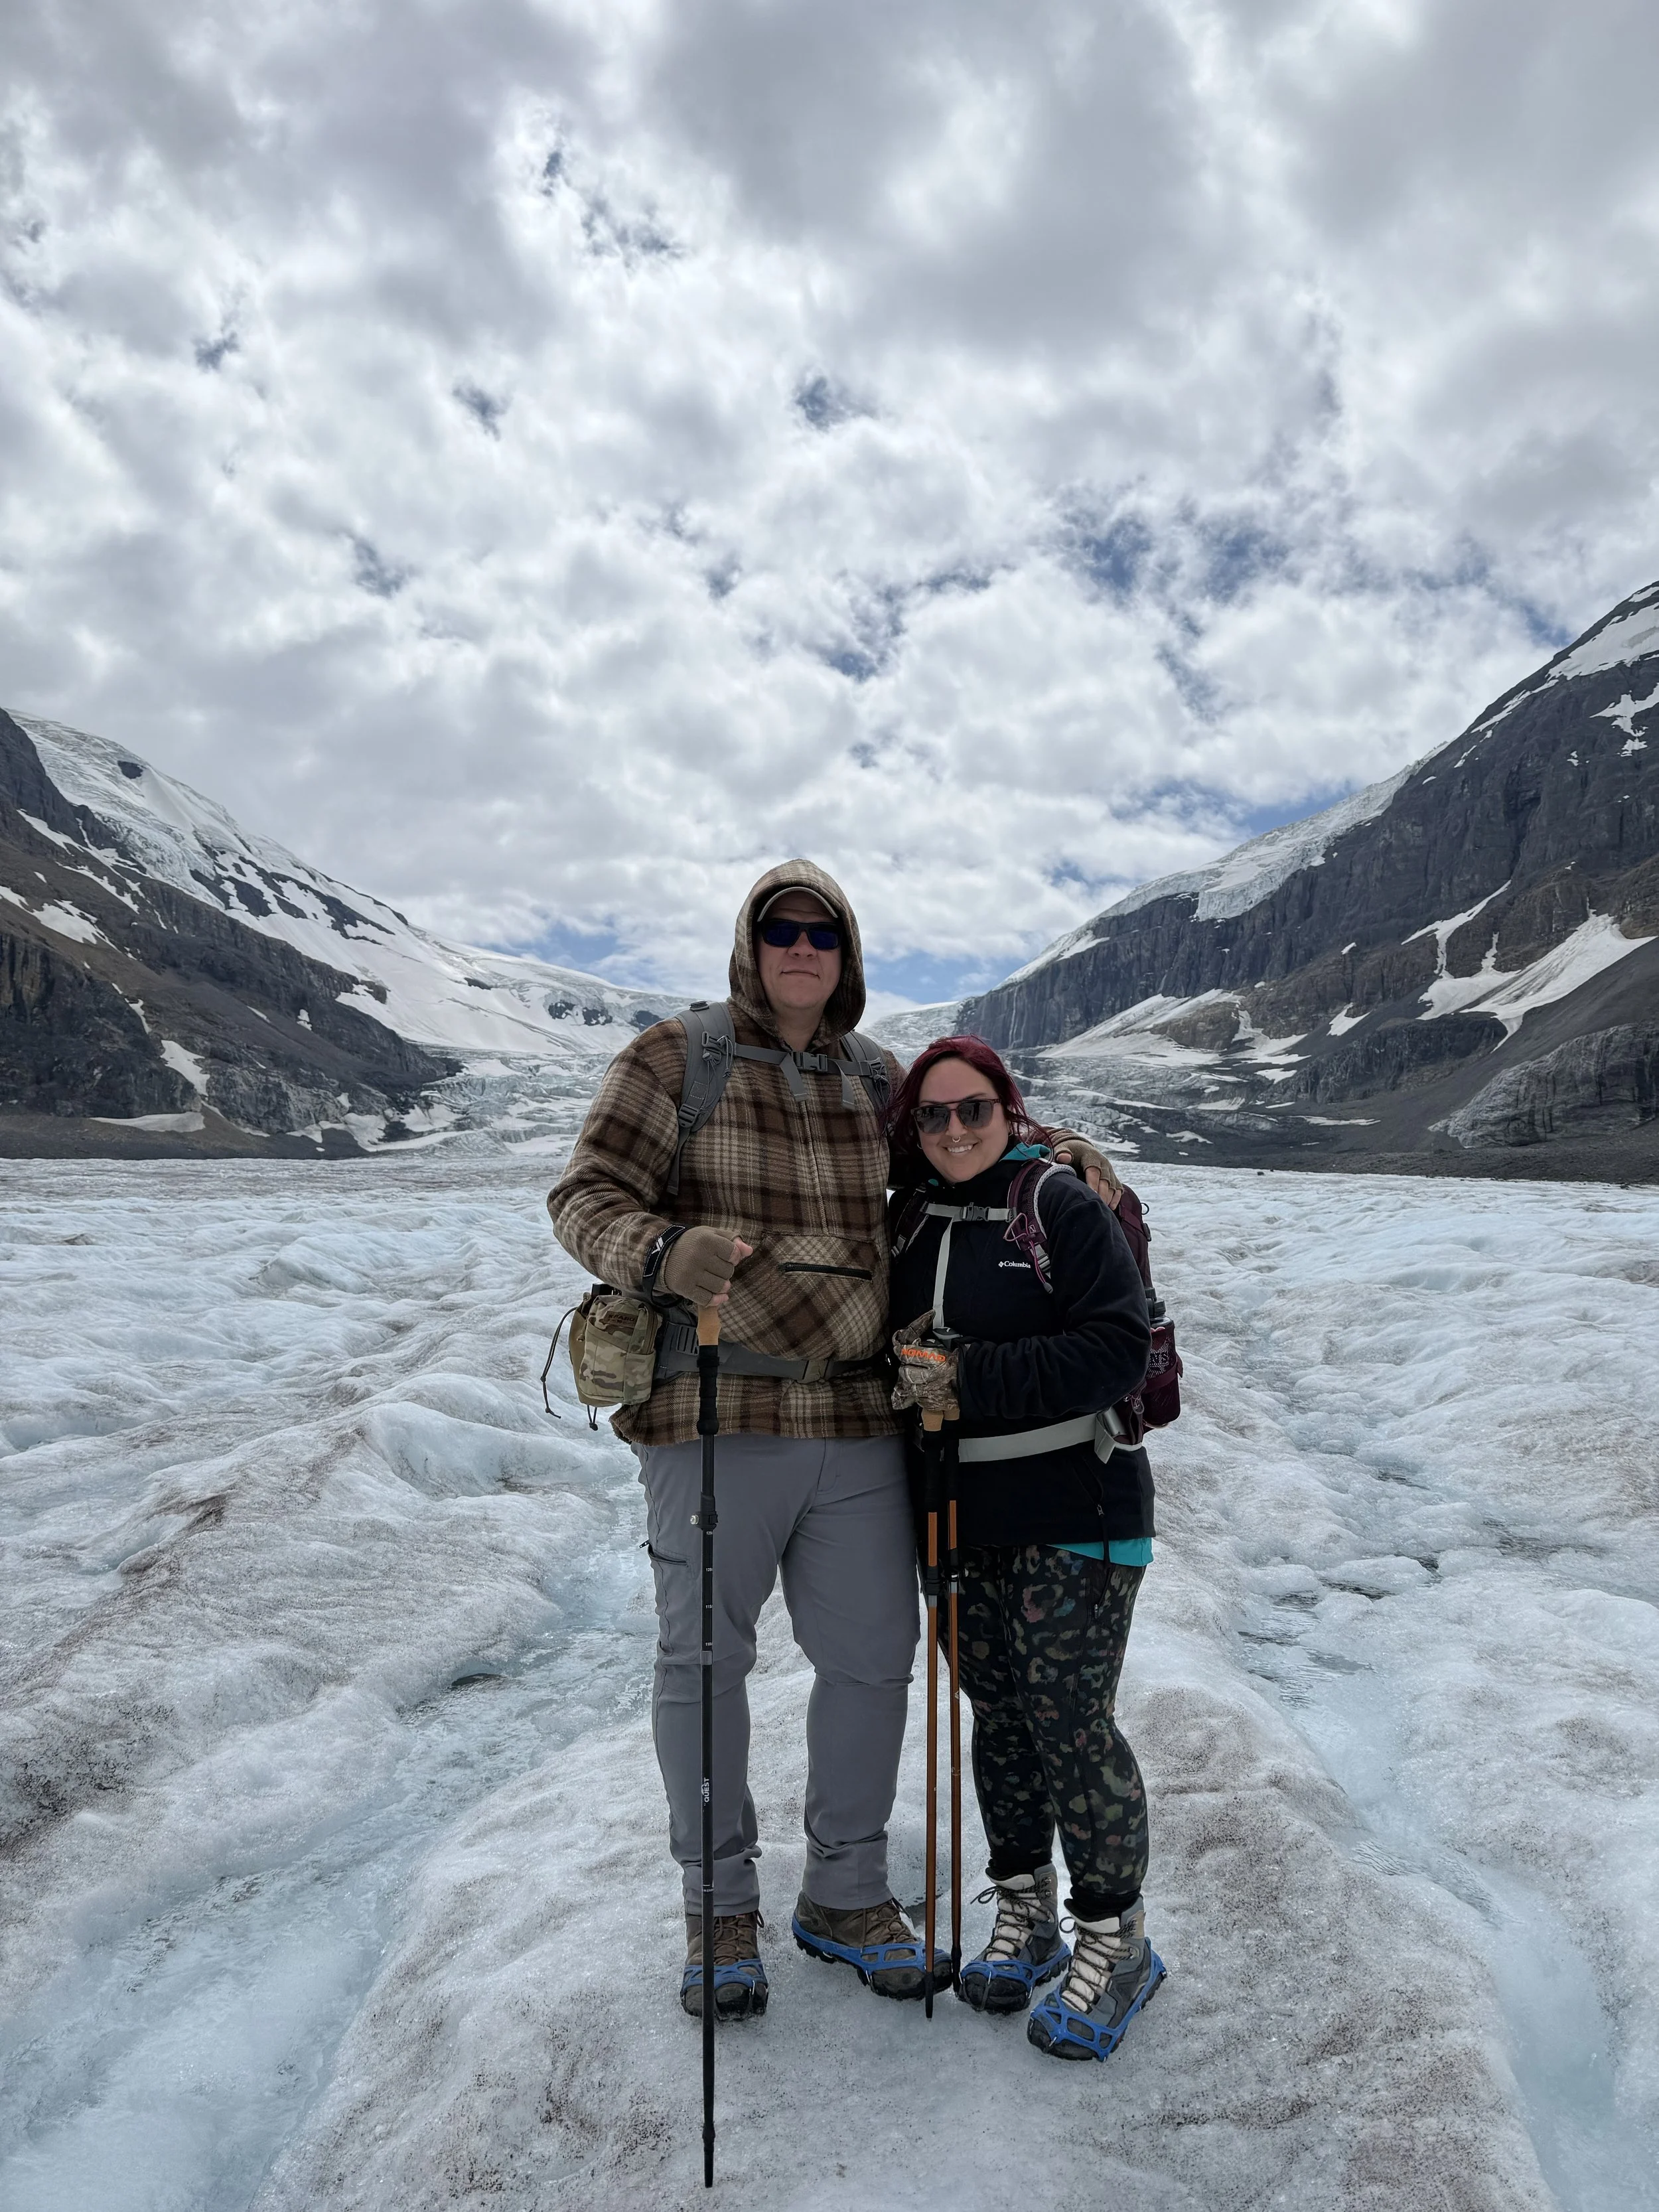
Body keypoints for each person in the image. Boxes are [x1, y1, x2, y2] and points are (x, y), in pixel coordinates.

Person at [885, 1033, 1165, 2062]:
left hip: (1078, 1505)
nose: (955, 1129)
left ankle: (1115, 1936)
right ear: (911, 1128)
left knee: (1067, 1719)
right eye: (933, 1114)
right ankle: (1026, 1909)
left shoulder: (1057, 1204)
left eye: (974, 1109)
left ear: (1009, 1110)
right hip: (956, 1513)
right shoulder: (907, 1217)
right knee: (998, 1714)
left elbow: (1115, 1344)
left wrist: (967, 1381)